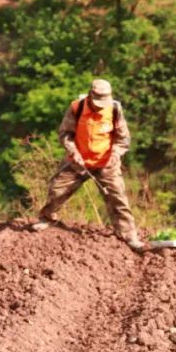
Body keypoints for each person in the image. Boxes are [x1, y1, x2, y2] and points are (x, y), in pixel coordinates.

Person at [31, 79, 145, 252]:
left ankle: (129, 235)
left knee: (118, 198)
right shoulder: (76, 108)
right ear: (90, 96)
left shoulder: (115, 110)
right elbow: (65, 134)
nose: (100, 107)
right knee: (57, 189)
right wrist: (73, 151)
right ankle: (47, 218)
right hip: (78, 161)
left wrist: (115, 154)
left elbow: (123, 139)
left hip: (106, 163)